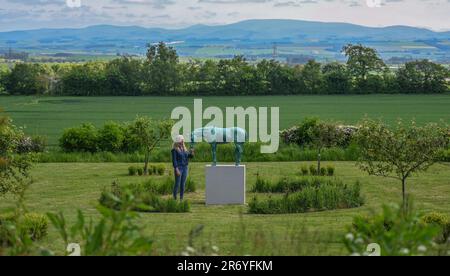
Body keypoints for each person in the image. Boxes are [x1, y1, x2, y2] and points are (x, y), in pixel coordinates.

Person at [171, 135, 194, 200]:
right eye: (181, 140)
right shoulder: (174, 150)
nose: (182, 141)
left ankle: (181, 199)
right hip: (179, 168)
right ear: (178, 141)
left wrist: (192, 153)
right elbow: (174, 161)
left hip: (185, 168)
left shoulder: (184, 148)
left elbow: (189, 156)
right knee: (177, 184)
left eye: (183, 140)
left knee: (182, 184)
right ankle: (174, 199)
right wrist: (176, 169)